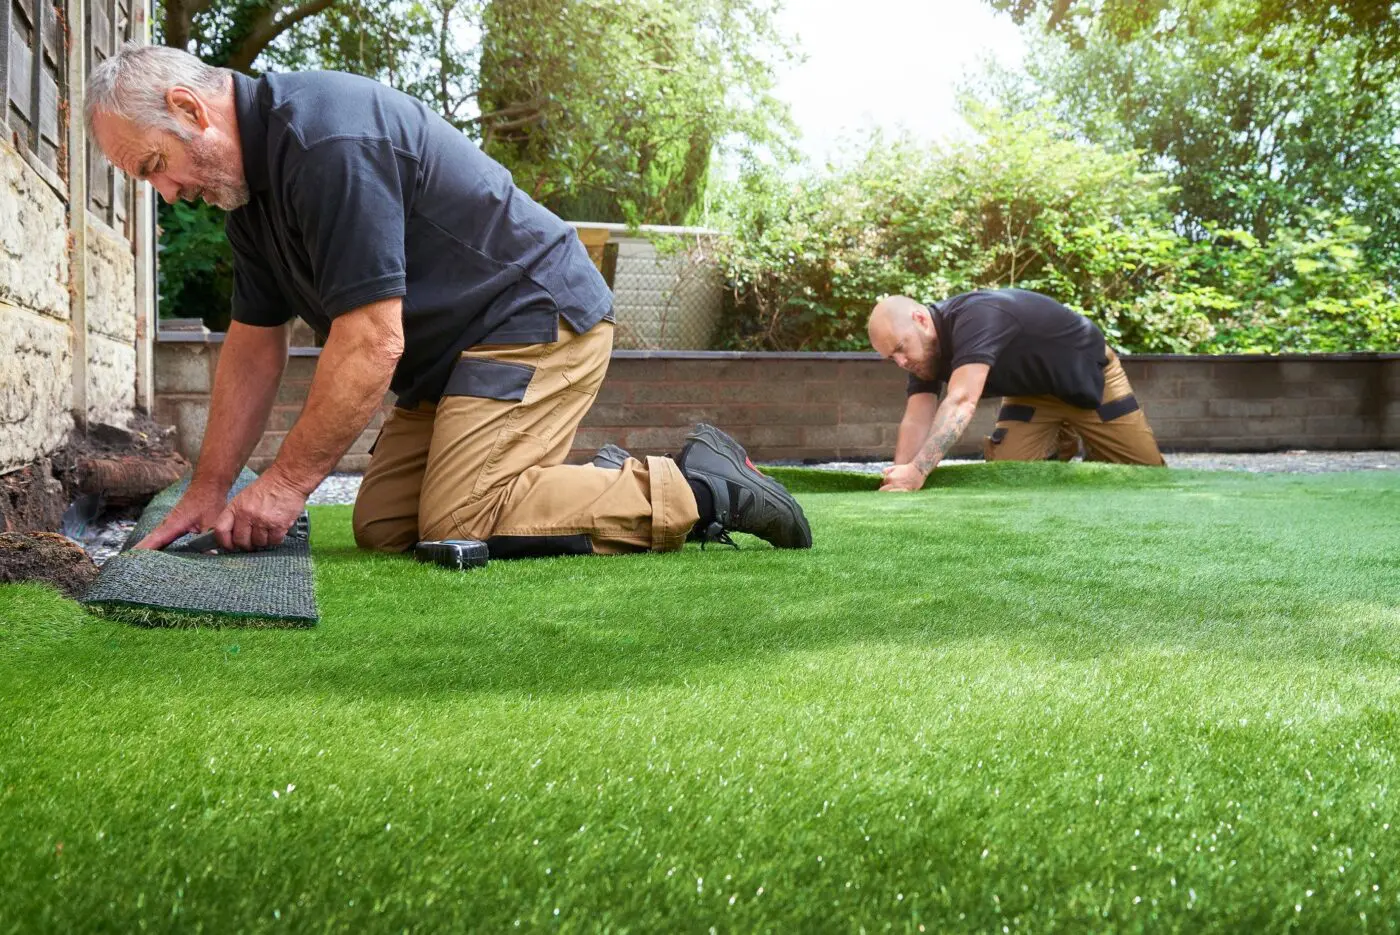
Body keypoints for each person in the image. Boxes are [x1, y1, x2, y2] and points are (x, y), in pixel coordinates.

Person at [86, 44, 811, 555]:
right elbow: (253, 344)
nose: (169, 191)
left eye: (156, 165)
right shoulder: (251, 204)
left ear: (190, 107)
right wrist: (209, 488)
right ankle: (588, 483)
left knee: (459, 515)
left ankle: (702, 486)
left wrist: (282, 486)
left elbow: (372, 341)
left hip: (534, 316)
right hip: (454, 362)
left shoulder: (325, 140)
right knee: (386, 522)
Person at [867, 290, 1165, 492]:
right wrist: (900, 475)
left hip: (1088, 378)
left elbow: (961, 401)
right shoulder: (921, 356)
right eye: (891, 357)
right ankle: (1062, 440)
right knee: (1008, 476)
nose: (900, 362)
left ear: (920, 320)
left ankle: (1071, 434)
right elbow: (917, 415)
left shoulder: (975, 317)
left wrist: (919, 471)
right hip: (1031, 394)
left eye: (900, 349)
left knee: (1147, 476)